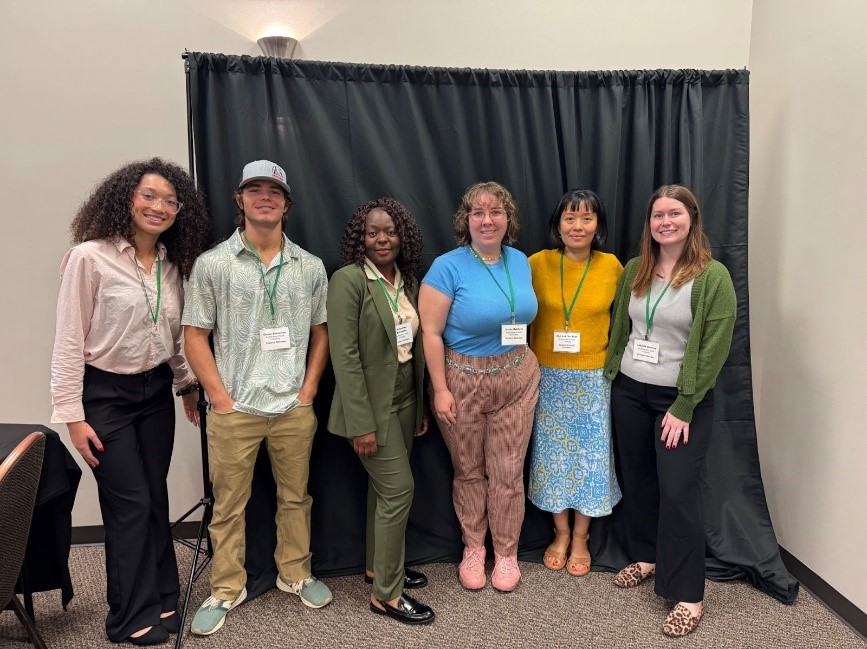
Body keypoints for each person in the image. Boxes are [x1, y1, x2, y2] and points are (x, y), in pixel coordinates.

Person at [50, 158, 209, 645]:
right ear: (126, 198)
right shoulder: (89, 257)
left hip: (155, 391)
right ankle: (128, 616)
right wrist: (72, 418)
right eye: (148, 195)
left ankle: (164, 596)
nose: (159, 207)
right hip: (104, 396)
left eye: (169, 200)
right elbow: (68, 342)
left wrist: (186, 384)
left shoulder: (171, 263)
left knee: (153, 496)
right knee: (131, 503)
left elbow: (172, 337)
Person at [183, 160, 332, 636]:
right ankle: (227, 587)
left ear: (287, 203)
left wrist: (308, 391)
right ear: (240, 199)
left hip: (292, 408)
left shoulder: (309, 266)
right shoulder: (213, 264)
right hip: (235, 411)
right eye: (255, 189)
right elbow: (194, 336)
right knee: (228, 505)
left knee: (296, 498)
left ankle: (295, 573)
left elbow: (321, 332)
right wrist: (219, 399)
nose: (264, 196)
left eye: (274, 190)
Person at [604, 184, 736, 637]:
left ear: (691, 220)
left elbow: (716, 348)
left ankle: (687, 595)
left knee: (678, 490)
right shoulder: (636, 269)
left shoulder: (712, 276)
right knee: (638, 478)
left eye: (674, 214)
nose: (665, 222)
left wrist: (684, 404)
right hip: (630, 392)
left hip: (680, 401)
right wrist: (610, 377)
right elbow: (622, 323)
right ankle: (646, 555)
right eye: (658, 215)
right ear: (650, 224)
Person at [419, 181, 539, 593]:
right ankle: (474, 548)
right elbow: (430, 334)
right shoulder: (447, 267)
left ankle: (506, 553)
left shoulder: (520, 261)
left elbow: (524, 317)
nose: (487, 220)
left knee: (508, 472)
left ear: (509, 219)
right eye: (478, 213)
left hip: (516, 379)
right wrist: (440, 389)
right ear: (465, 221)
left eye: (496, 212)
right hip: (462, 381)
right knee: (469, 471)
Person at [327, 198, 435, 625]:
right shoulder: (349, 281)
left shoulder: (405, 281)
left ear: (402, 235)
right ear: (361, 238)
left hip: (407, 401)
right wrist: (361, 424)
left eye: (389, 231)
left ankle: (379, 568)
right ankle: (386, 595)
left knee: (380, 492)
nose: (382, 239)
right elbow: (345, 358)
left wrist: (420, 405)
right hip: (372, 408)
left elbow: (411, 348)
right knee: (398, 492)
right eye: (372, 232)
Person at [526, 189, 623, 577]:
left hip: (593, 380)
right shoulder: (536, 263)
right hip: (546, 378)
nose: (577, 226)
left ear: (598, 225)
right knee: (551, 459)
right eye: (569, 218)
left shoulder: (613, 267)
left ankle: (581, 537)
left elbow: (623, 324)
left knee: (591, 459)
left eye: (586, 218)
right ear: (558, 224)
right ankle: (560, 533)